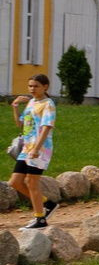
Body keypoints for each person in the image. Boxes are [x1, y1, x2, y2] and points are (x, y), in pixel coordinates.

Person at [10, 73, 57, 225]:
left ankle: (40, 218)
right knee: (15, 182)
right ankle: (47, 204)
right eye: (30, 86)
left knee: (32, 182)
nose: (32, 89)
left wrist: (36, 148)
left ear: (45, 86)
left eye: (36, 86)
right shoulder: (31, 103)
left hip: (40, 149)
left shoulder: (48, 104)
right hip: (26, 148)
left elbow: (45, 128)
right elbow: (20, 124)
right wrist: (15, 106)